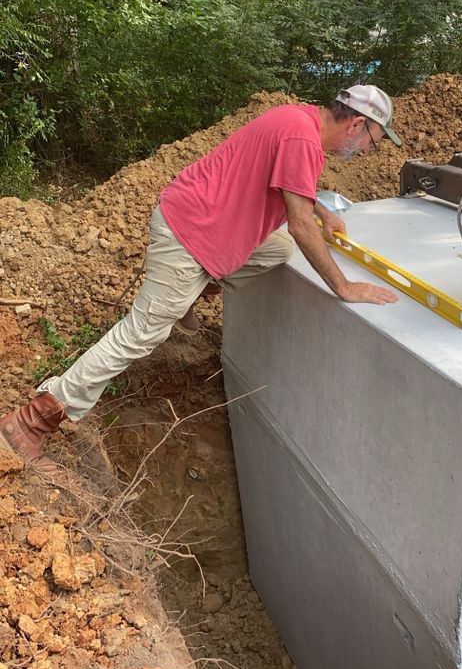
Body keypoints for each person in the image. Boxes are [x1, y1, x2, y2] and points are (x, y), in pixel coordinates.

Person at [0, 84, 401, 467]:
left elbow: (294, 193)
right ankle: (31, 421)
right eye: (373, 140)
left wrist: (324, 212)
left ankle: (191, 295)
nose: (368, 151)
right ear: (355, 124)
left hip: (199, 223)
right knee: (142, 333)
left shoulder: (296, 120)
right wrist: (344, 287)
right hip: (188, 236)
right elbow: (298, 224)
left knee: (276, 249)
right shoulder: (303, 141)